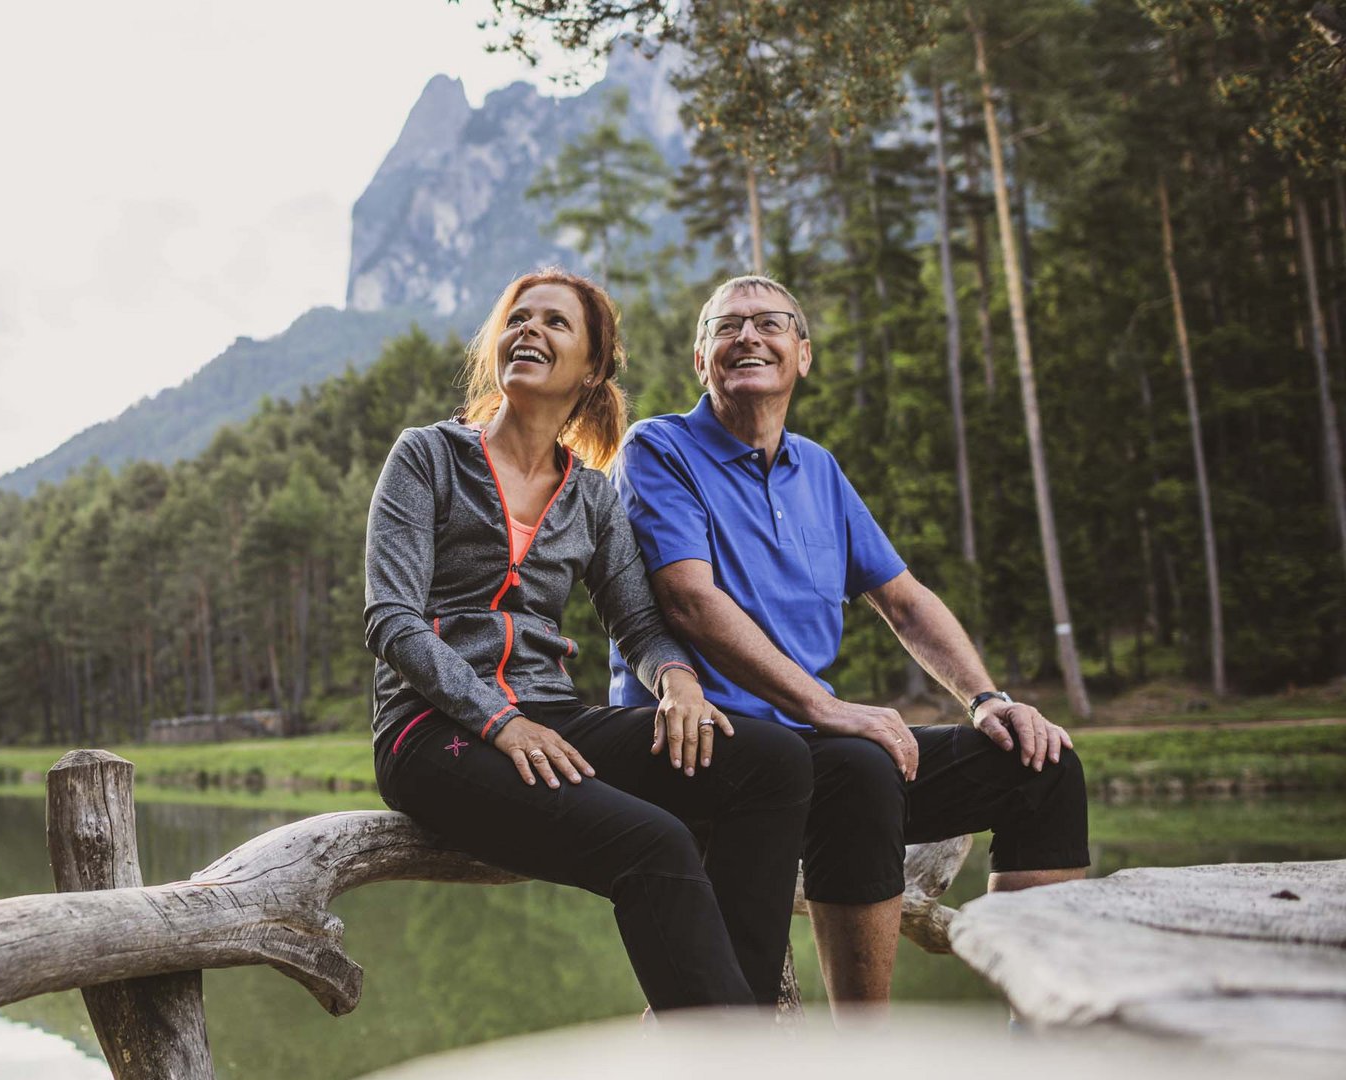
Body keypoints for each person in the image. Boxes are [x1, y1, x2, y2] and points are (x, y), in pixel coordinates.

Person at [607, 274, 1090, 1009]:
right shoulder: (659, 449)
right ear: (699, 360)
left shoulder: (819, 470)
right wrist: (828, 707)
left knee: (1040, 764)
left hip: (812, 744)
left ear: (804, 354)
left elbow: (902, 599)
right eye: (725, 327)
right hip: (704, 747)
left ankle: (1046, 1031)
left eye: (770, 323)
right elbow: (689, 601)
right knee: (858, 767)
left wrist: (987, 700)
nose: (748, 337)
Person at [365, 268, 813, 1013]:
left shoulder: (592, 494)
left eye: (555, 323)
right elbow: (392, 620)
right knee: (654, 842)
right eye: (518, 319)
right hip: (431, 733)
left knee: (774, 762)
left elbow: (638, 623)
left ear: (593, 367)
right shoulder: (427, 457)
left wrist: (678, 681)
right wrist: (500, 722)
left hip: (552, 720)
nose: (529, 331)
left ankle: (739, 1030)